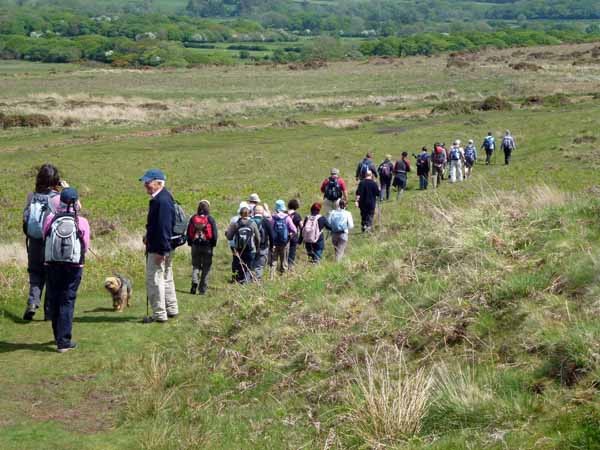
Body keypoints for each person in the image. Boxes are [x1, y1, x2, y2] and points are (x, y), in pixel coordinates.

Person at [43, 187, 90, 353]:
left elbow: (44, 237)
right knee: (67, 300)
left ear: (60, 200)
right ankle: (64, 342)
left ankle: (58, 337)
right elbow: (86, 245)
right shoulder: (81, 221)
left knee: (54, 299)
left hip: (52, 265)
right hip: (73, 266)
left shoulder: (50, 218)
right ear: (76, 201)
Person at [22, 163, 63, 321]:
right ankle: (49, 312)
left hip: (34, 241)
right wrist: (66, 189)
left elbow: (25, 218)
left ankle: (32, 303)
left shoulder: (31, 196)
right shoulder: (57, 198)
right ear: (56, 180)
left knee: (35, 273)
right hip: (51, 242)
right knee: (51, 275)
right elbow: (74, 210)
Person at [140, 169, 178, 323]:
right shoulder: (165, 197)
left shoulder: (161, 200)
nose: (145, 185)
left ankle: (159, 314)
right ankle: (171, 309)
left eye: (148, 182)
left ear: (158, 182)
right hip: (165, 246)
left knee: (155, 280)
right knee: (167, 277)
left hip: (159, 248)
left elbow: (163, 227)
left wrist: (161, 250)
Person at [187, 200, 218, 295]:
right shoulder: (210, 219)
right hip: (207, 246)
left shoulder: (193, 218)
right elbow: (215, 234)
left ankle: (194, 281)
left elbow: (188, 232)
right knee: (206, 267)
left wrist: (190, 242)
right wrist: (213, 244)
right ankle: (202, 289)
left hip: (195, 245)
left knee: (195, 265)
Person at [226, 206, 260, 284]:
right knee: (249, 267)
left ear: (240, 214)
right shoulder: (252, 223)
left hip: (239, 249)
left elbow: (229, 237)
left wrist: (227, 233)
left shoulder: (236, 224)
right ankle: (246, 282)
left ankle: (240, 281)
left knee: (240, 266)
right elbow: (258, 237)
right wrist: (257, 247)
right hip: (250, 249)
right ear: (249, 214)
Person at [270, 199, 297, 274]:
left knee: (273, 262)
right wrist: (290, 236)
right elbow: (294, 230)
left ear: (276, 208)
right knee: (284, 261)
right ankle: (283, 277)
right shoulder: (287, 218)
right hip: (285, 243)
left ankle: (272, 277)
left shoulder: (273, 218)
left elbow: (270, 229)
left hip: (275, 243)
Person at [251, 205, 274, 281]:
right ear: (263, 212)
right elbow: (271, 235)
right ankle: (257, 282)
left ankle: (248, 281)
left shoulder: (250, 221)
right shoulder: (266, 221)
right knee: (259, 266)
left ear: (254, 212)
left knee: (250, 265)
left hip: (250, 248)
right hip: (263, 247)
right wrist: (271, 246)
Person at [287, 199, 303, 267]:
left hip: (284, 236)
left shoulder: (284, 213)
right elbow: (302, 227)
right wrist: (300, 239)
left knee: (284, 253)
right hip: (293, 237)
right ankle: (290, 267)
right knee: (291, 253)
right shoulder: (297, 215)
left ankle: (282, 267)